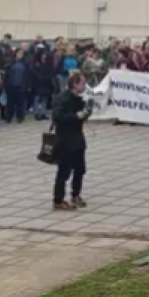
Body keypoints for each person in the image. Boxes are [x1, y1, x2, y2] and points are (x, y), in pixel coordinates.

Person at [52, 72, 91, 211]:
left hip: (78, 138)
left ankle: (76, 194)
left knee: (80, 168)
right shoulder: (63, 98)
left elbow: (81, 115)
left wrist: (86, 113)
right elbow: (58, 116)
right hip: (65, 139)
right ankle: (58, 199)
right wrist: (75, 116)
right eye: (82, 83)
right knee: (64, 171)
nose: (85, 86)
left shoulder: (79, 98)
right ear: (75, 84)